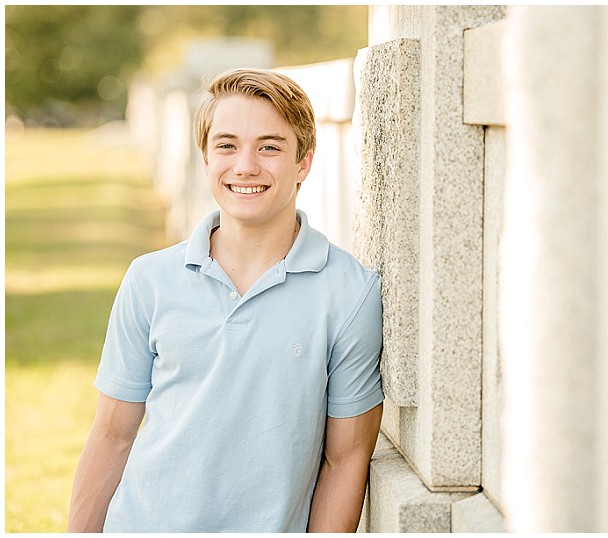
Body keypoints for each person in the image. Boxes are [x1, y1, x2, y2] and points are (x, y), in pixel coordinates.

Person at [68, 68, 384, 532]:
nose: (245, 166)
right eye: (227, 145)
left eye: (270, 147)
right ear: (205, 159)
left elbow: (347, 459)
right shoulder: (150, 280)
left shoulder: (350, 293)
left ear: (304, 163)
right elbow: (113, 435)